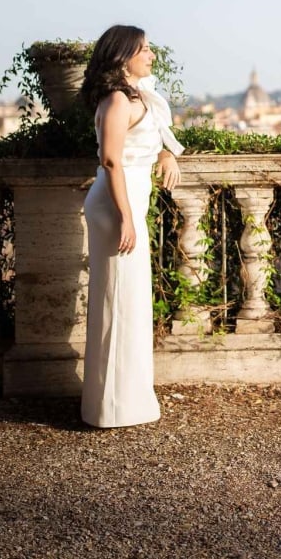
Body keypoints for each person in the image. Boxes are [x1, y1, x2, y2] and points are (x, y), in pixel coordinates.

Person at [79, 25, 182, 428]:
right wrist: (126, 217)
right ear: (124, 57)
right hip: (116, 206)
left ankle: (123, 400)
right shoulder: (118, 99)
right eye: (145, 50)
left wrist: (167, 155)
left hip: (127, 202)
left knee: (128, 301)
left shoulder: (134, 96)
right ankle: (112, 406)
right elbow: (110, 159)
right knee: (117, 302)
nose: (152, 55)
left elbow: (149, 138)